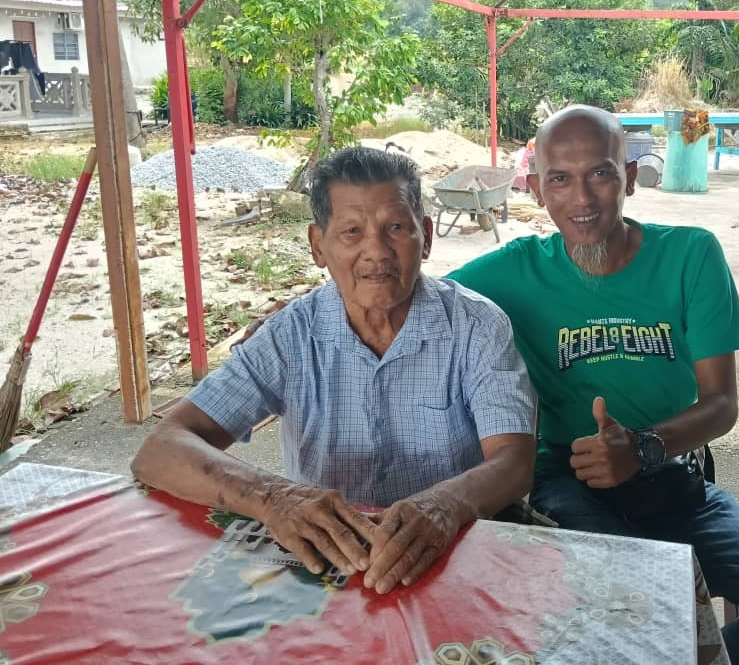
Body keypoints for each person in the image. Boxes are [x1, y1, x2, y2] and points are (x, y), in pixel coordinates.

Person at [447, 105, 739, 665]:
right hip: (567, 484)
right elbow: (417, 302)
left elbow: (721, 404)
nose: (582, 199)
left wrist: (642, 447)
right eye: (560, 179)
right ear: (536, 190)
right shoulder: (509, 273)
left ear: (630, 178)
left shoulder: (690, 256)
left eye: (600, 173)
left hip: (673, 480)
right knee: (632, 620)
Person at [131, 147, 536, 596]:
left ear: (425, 236)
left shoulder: (476, 325)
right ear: (317, 246)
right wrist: (274, 498)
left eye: (396, 227)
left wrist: (444, 505)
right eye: (351, 231)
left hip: (452, 549)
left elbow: (514, 460)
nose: (376, 251)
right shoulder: (290, 334)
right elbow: (162, 449)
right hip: (328, 560)